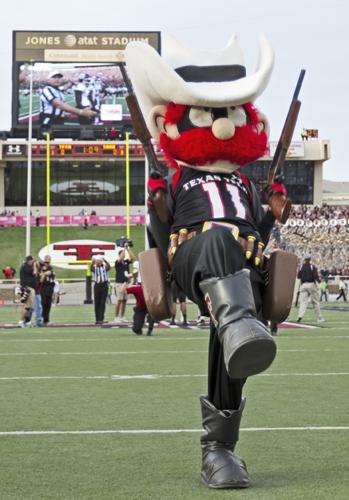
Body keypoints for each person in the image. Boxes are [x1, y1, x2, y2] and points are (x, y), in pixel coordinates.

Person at [126, 33, 285, 489]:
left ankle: (220, 452)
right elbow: (159, 237)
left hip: (242, 269)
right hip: (193, 257)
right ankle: (239, 324)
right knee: (217, 244)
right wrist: (157, 204)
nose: (221, 128)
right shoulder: (178, 181)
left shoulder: (247, 185)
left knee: (231, 346)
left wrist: (272, 213)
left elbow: (259, 231)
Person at [297, 254, 325, 323]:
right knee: (315, 302)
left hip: (303, 285)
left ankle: (300, 316)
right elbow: (315, 275)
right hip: (311, 284)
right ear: (310, 259)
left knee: (303, 302)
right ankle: (319, 317)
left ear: (304, 259)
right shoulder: (312, 266)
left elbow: (298, 276)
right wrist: (319, 281)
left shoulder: (301, 267)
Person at [114, 242, 134, 322]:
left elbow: (132, 258)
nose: (124, 255)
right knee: (119, 300)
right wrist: (124, 248)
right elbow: (121, 258)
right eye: (122, 254)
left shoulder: (126, 262)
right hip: (119, 283)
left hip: (126, 283)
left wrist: (128, 249)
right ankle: (116, 317)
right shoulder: (117, 263)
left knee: (124, 301)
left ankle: (122, 316)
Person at [18, 256, 39, 327]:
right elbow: (34, 272)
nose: (33, 262)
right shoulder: (25, 267)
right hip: (28, 288)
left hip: (29, 288)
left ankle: (27, 321)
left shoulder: (26, 266)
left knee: (29, 306)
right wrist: (34, 265)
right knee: (27, 306)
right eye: (32, 261)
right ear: (29, 261)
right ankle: (21, 321)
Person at [91, 255, 111, 325]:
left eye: (100, 260)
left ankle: (101, 319)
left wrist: (105, 260)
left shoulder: (104, 267)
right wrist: (93, 261)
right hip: (97, 285)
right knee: (97, 303)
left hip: (104, 285)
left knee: (103, 303)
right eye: (97, 260)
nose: (98, 262)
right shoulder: (94, 267)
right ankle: (97, 319)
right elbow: (91, 267)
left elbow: (109, 267)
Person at [40, 255, 56, 325]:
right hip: (43, 288)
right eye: (46, 261)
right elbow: (39, 275)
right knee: (43, 305)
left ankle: (46, 320)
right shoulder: (41, 267)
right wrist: (44, 273)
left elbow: (53, 276)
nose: (47, 263)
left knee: (48, 305)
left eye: (48, 260)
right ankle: (41, 319)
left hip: (49, 289)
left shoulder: (51, 268)